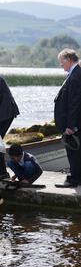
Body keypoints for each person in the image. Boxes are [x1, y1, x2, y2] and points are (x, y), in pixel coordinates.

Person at [54, 48, 81, 188]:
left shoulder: (76, 75)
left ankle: (74, 180)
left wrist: (71, 126)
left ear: (69, 60)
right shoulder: (74, 73)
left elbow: (74, 103)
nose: (61, 65)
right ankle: (76, 177)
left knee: (73, 151)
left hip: (73, 125)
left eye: (61, 62)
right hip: (73, 123)